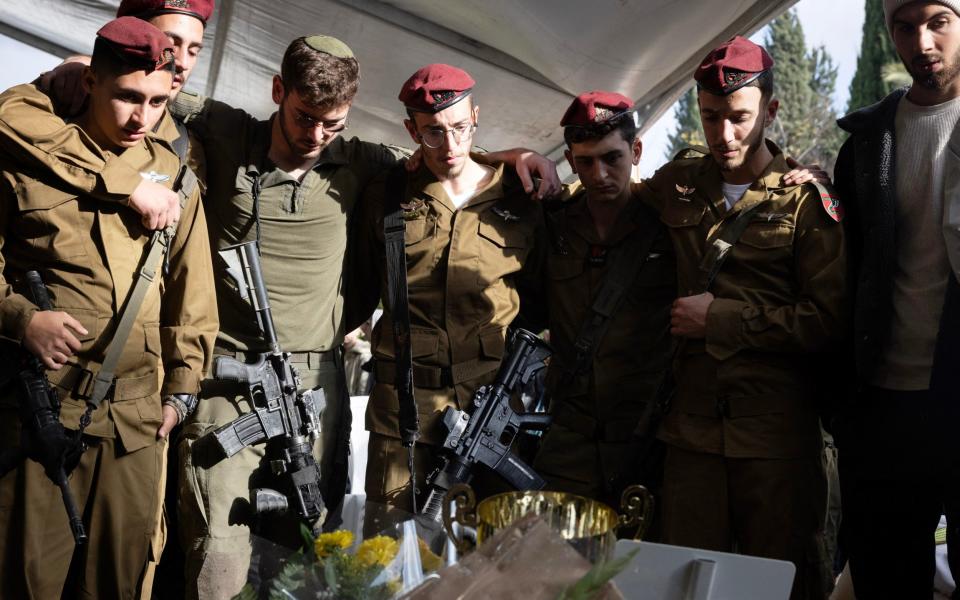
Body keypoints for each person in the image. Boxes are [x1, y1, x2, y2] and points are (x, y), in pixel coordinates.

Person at [0, 17, 217, 600]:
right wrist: (22, 319)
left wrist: (182, 390)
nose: (139, 117)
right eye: (125, 96)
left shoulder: (175, 178)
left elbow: (192, 295)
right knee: (26, 579)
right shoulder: (28, 153)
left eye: (154, 100)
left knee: (122, 584)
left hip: (136, 424)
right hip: (42, 406)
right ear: (91, 81)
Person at [633, 36, 847, 600]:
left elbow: (826, 320)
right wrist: (508, 157)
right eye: (709, 118)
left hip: (775, 442)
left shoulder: (808, 204)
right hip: (691, 437)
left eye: (738, 118)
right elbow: (601, 192)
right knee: (677, 582)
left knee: (779, 585)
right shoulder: (679, 184)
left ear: (770, 112)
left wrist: (721, 320)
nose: (723, 135)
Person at [352, 63, 547, 534]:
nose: (451, 146)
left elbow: (541, 302)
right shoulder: (387, 192)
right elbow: (357, 287)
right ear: (411, 131)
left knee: (494, 560)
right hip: (404, 417)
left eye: (460, 128)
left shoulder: (521, 194)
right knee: (393, 556)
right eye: (434, 133)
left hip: (494, 413)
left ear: (476, 116)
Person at [834, 1, 960, 597]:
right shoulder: (864, 143)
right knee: (885, 575)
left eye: (939, 20)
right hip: (885, 404)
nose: (922, 41)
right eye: (905, 26)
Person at [531, 91, 674, 507]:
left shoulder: (668, 220)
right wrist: (514, 155)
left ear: (636, 150)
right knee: (558, 562)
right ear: (571, 161)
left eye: (612, 158)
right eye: (586, 162)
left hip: (648, 434)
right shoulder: (554, 222)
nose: (600, 174)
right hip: (570, 436)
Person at [0, 0, 215, 232]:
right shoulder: (65, 101)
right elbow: (10, 114)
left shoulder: (188, 145)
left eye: (193, 51)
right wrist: (128, 184)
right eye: (169, 45)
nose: (181, 62)